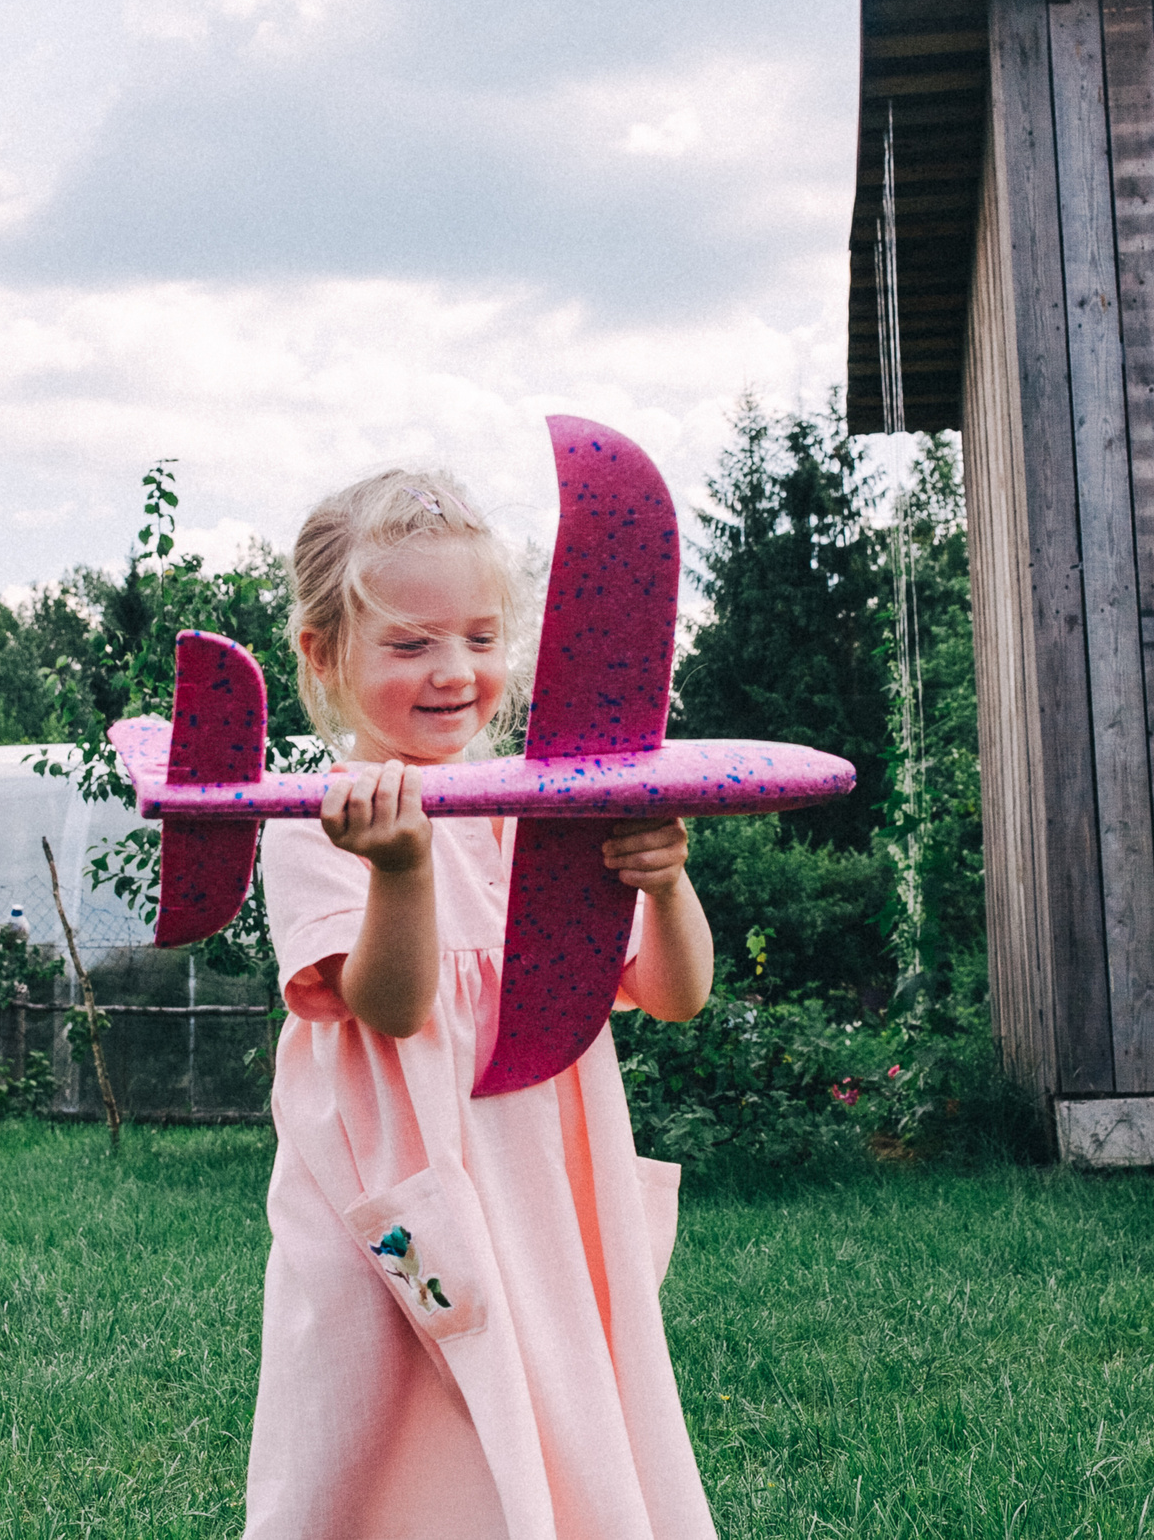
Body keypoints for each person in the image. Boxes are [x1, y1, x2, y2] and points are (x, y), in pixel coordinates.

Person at [246, 466, 719, 1540]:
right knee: (377, 1425)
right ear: (323, 654)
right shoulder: (321, 823)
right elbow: (392, 1004)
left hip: (537, 1182)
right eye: (408, 643)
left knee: (557, 1422)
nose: (451, 671)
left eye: (477, 636)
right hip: (391, 1185)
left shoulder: (543, 817)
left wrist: (665, 878)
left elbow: (676, 993)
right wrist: (402, 869)